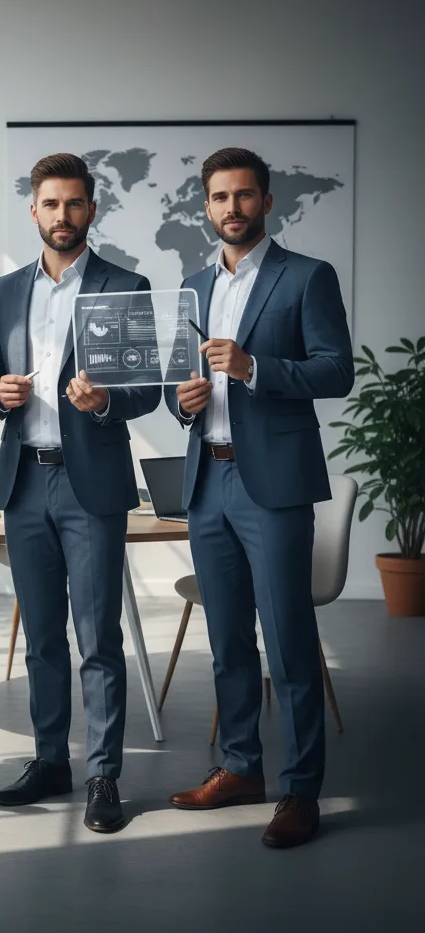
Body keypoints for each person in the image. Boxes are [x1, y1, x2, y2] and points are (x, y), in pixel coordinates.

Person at [164, 147, 353, 849]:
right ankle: (241, 768)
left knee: (289, 640)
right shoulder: (192, 286)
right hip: (207, 480)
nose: (232, 208)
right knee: (227, 641)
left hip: (273, 486)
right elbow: (178, 383)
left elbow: (337, 371)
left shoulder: (307, 276)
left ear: (267, 202)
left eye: (244, 195)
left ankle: (301, 791)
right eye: (220, 197)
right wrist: (182, 401)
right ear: (206, 207)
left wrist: (253, 368)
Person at [0, 153, 160, 834]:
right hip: (25, 480)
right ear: (34, 210)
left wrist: (106, 400)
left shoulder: (126, 286)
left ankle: (104, 775)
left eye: (74, 203)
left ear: (92, 209)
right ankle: (50, 760)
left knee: (97, 637)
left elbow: (146, 391)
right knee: (40, 639)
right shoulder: (6, 290)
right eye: (51, 204)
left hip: (91, 487)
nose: (62, 215)